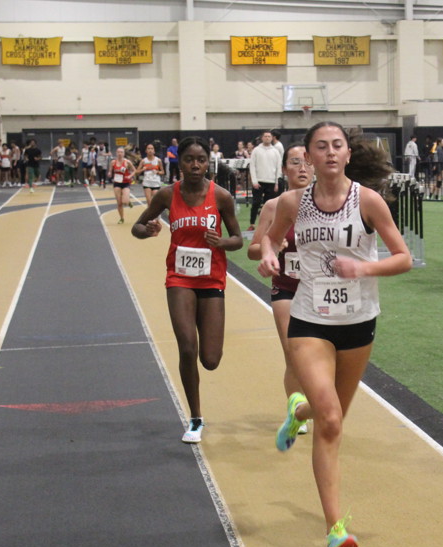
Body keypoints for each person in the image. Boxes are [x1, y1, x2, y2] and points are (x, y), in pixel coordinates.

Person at [257, 121, 412, 547]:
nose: (329, 152)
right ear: (307, 156)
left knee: (333, 414)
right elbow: (270, 238)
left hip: (358, 321)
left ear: (347, 154)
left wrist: (363, 268)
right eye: (320, 146)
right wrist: (268, 254)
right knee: (330, 420)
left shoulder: (368, 201)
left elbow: (402, 258)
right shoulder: (293, 202)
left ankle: (297, 412)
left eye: (337, 145)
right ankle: (334, 529)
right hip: (309, 319)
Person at [131, 136, 243, 444]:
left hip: (212, 279)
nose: (195, 165)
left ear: (208, 163)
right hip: (179, 278)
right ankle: (195, 418)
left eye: (201, 160)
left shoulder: (221, 196)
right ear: (179, 162)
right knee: (187, 348)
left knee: (210, 359)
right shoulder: (167, 194)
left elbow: (238, 239)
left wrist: (222, 242)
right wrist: (148, 230)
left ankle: (197, 410)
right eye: (189, 159)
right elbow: (137, 227)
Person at [246, 143, 315, 433]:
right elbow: (253, 250)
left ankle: (314, 402)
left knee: (321, 356)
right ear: (284, 169)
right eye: (295, 162)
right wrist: (271, 249)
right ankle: (297, 411)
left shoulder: (327, 205)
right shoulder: (273, 206)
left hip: (320, 290)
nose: (302, 168)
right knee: (294, 354)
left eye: (307, 162)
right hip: (286, 288)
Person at [248, 130, 281, 232]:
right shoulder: (256, 150)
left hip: (271, 182)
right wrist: (254, 181)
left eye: (269, 136)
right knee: (256, 203)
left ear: (271, 138)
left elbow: (278, 167)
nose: (267, 138)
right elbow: (252, 166)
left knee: (269, 205)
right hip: (259, 181)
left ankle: (268, 225)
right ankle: (252, 223)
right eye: (265, 136)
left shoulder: (275, 151)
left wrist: (276, 182)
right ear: (262, 138)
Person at [109, 146, 136, 224]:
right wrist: (109, 173)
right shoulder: (113, 162)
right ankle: (121, 218)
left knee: (125, 201)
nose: (120, 154)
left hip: (125, 183)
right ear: (116, 153)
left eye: (121, 152)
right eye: (118, 152)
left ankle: (128, 202)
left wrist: (130, 176)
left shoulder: (127, 162)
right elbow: (110, 171)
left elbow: (134, 170)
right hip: (117, 183)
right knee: (119, 203)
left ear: (124, 154)